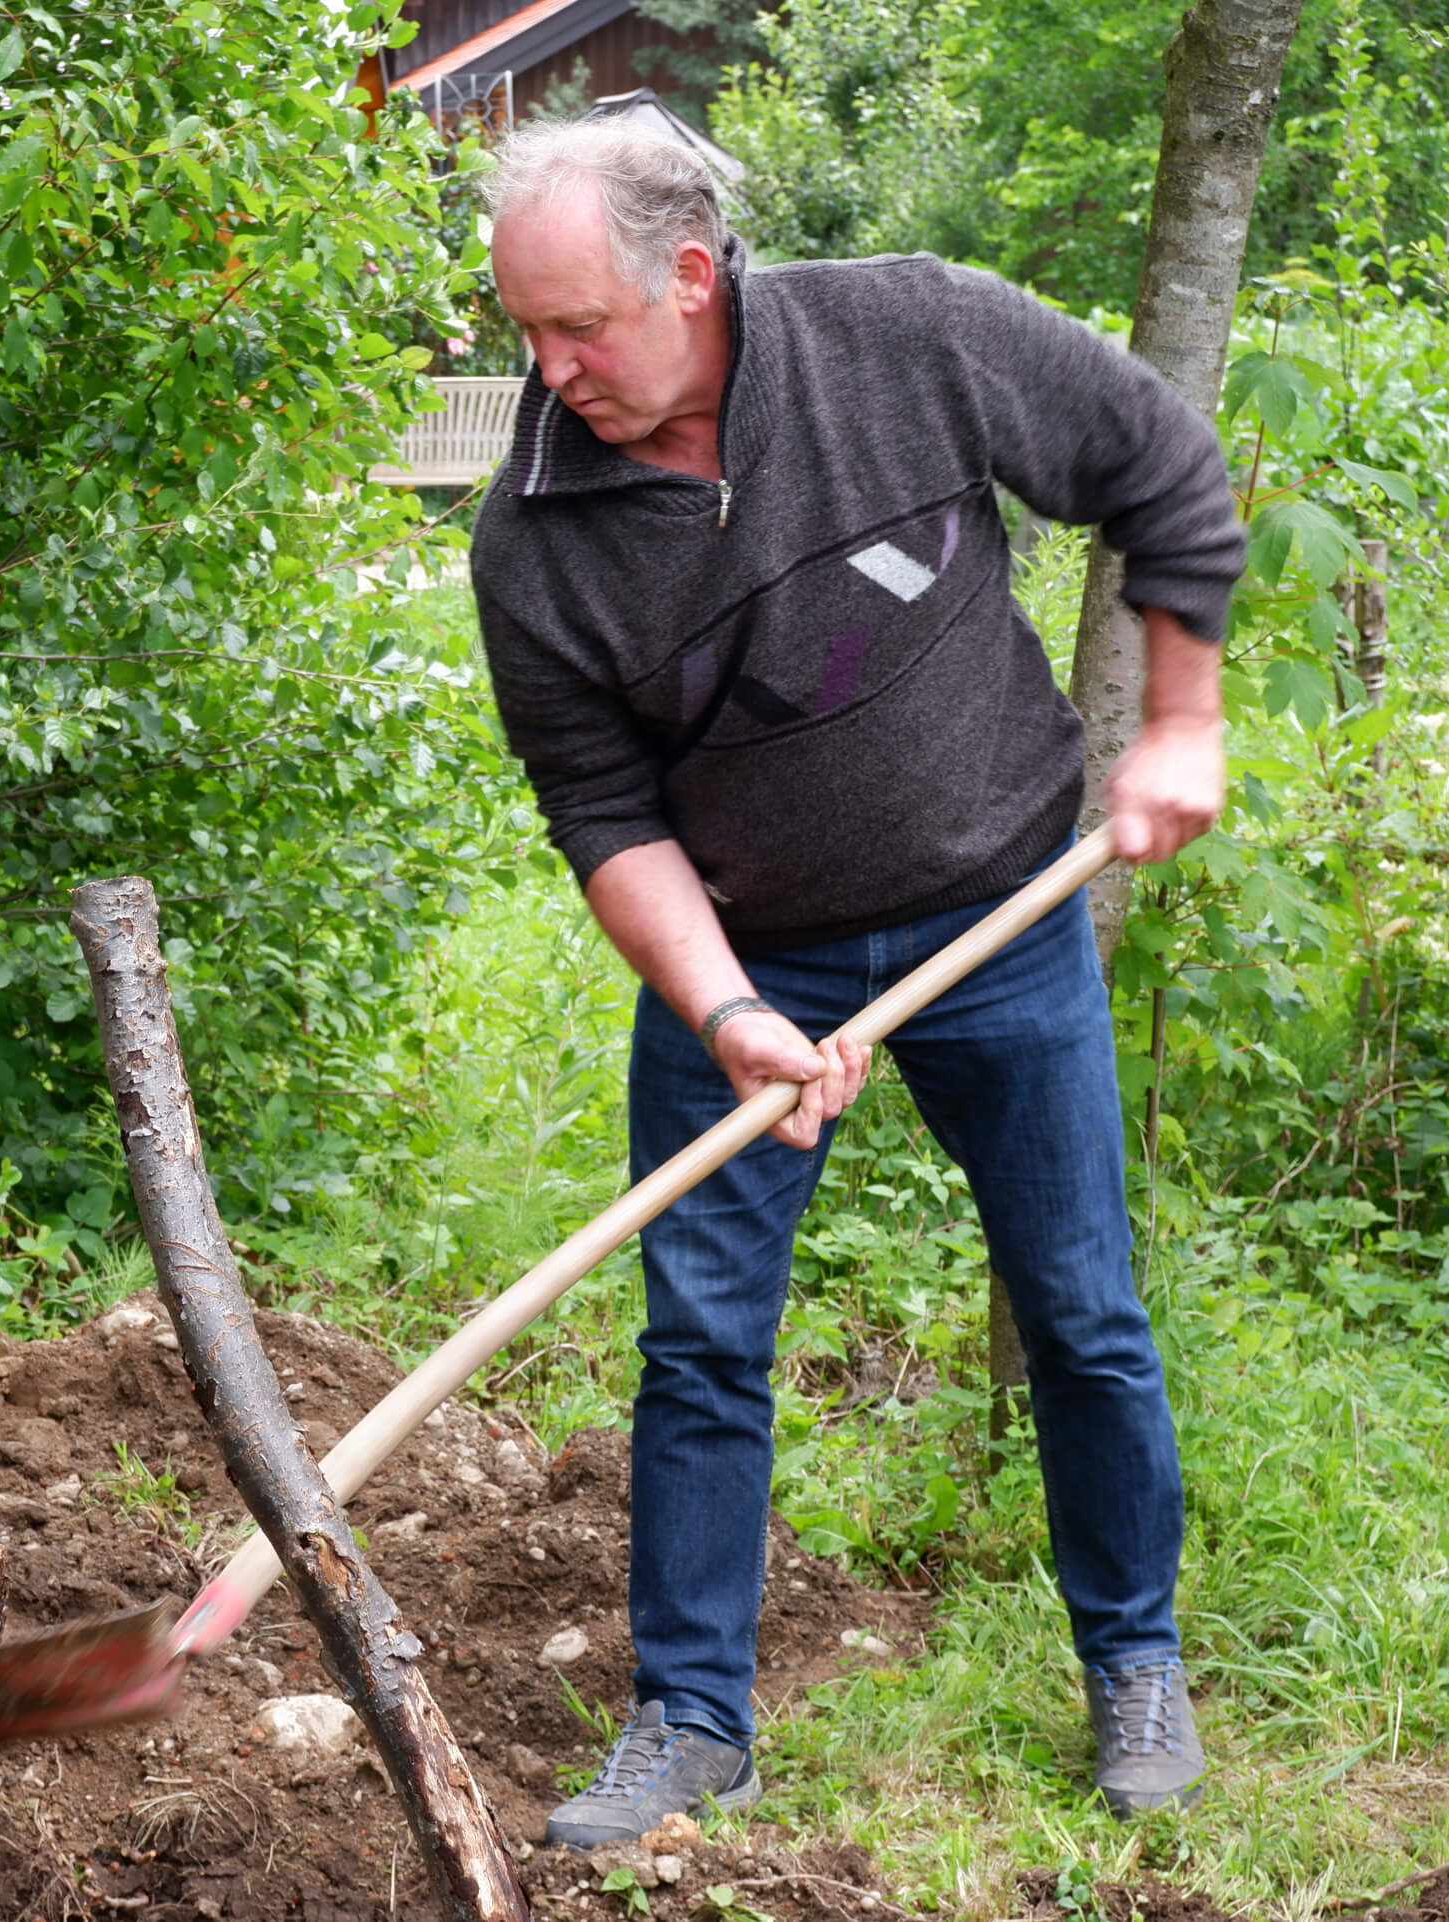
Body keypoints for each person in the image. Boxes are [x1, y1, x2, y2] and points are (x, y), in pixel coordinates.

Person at [468, 121, 1243, 1840]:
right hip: (745, 956)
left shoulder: (910, 334)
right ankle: (690, 1720)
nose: (553, 369)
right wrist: (731, 1011)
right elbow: (601, 810)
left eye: (580, 324)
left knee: (1083, 1313)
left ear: (691, 272)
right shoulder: (535, 534)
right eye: (525, 329)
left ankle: (1134, 1660)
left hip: (1005, 907)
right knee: (702, 1343)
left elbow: (1157, 460)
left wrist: (1180, 716)